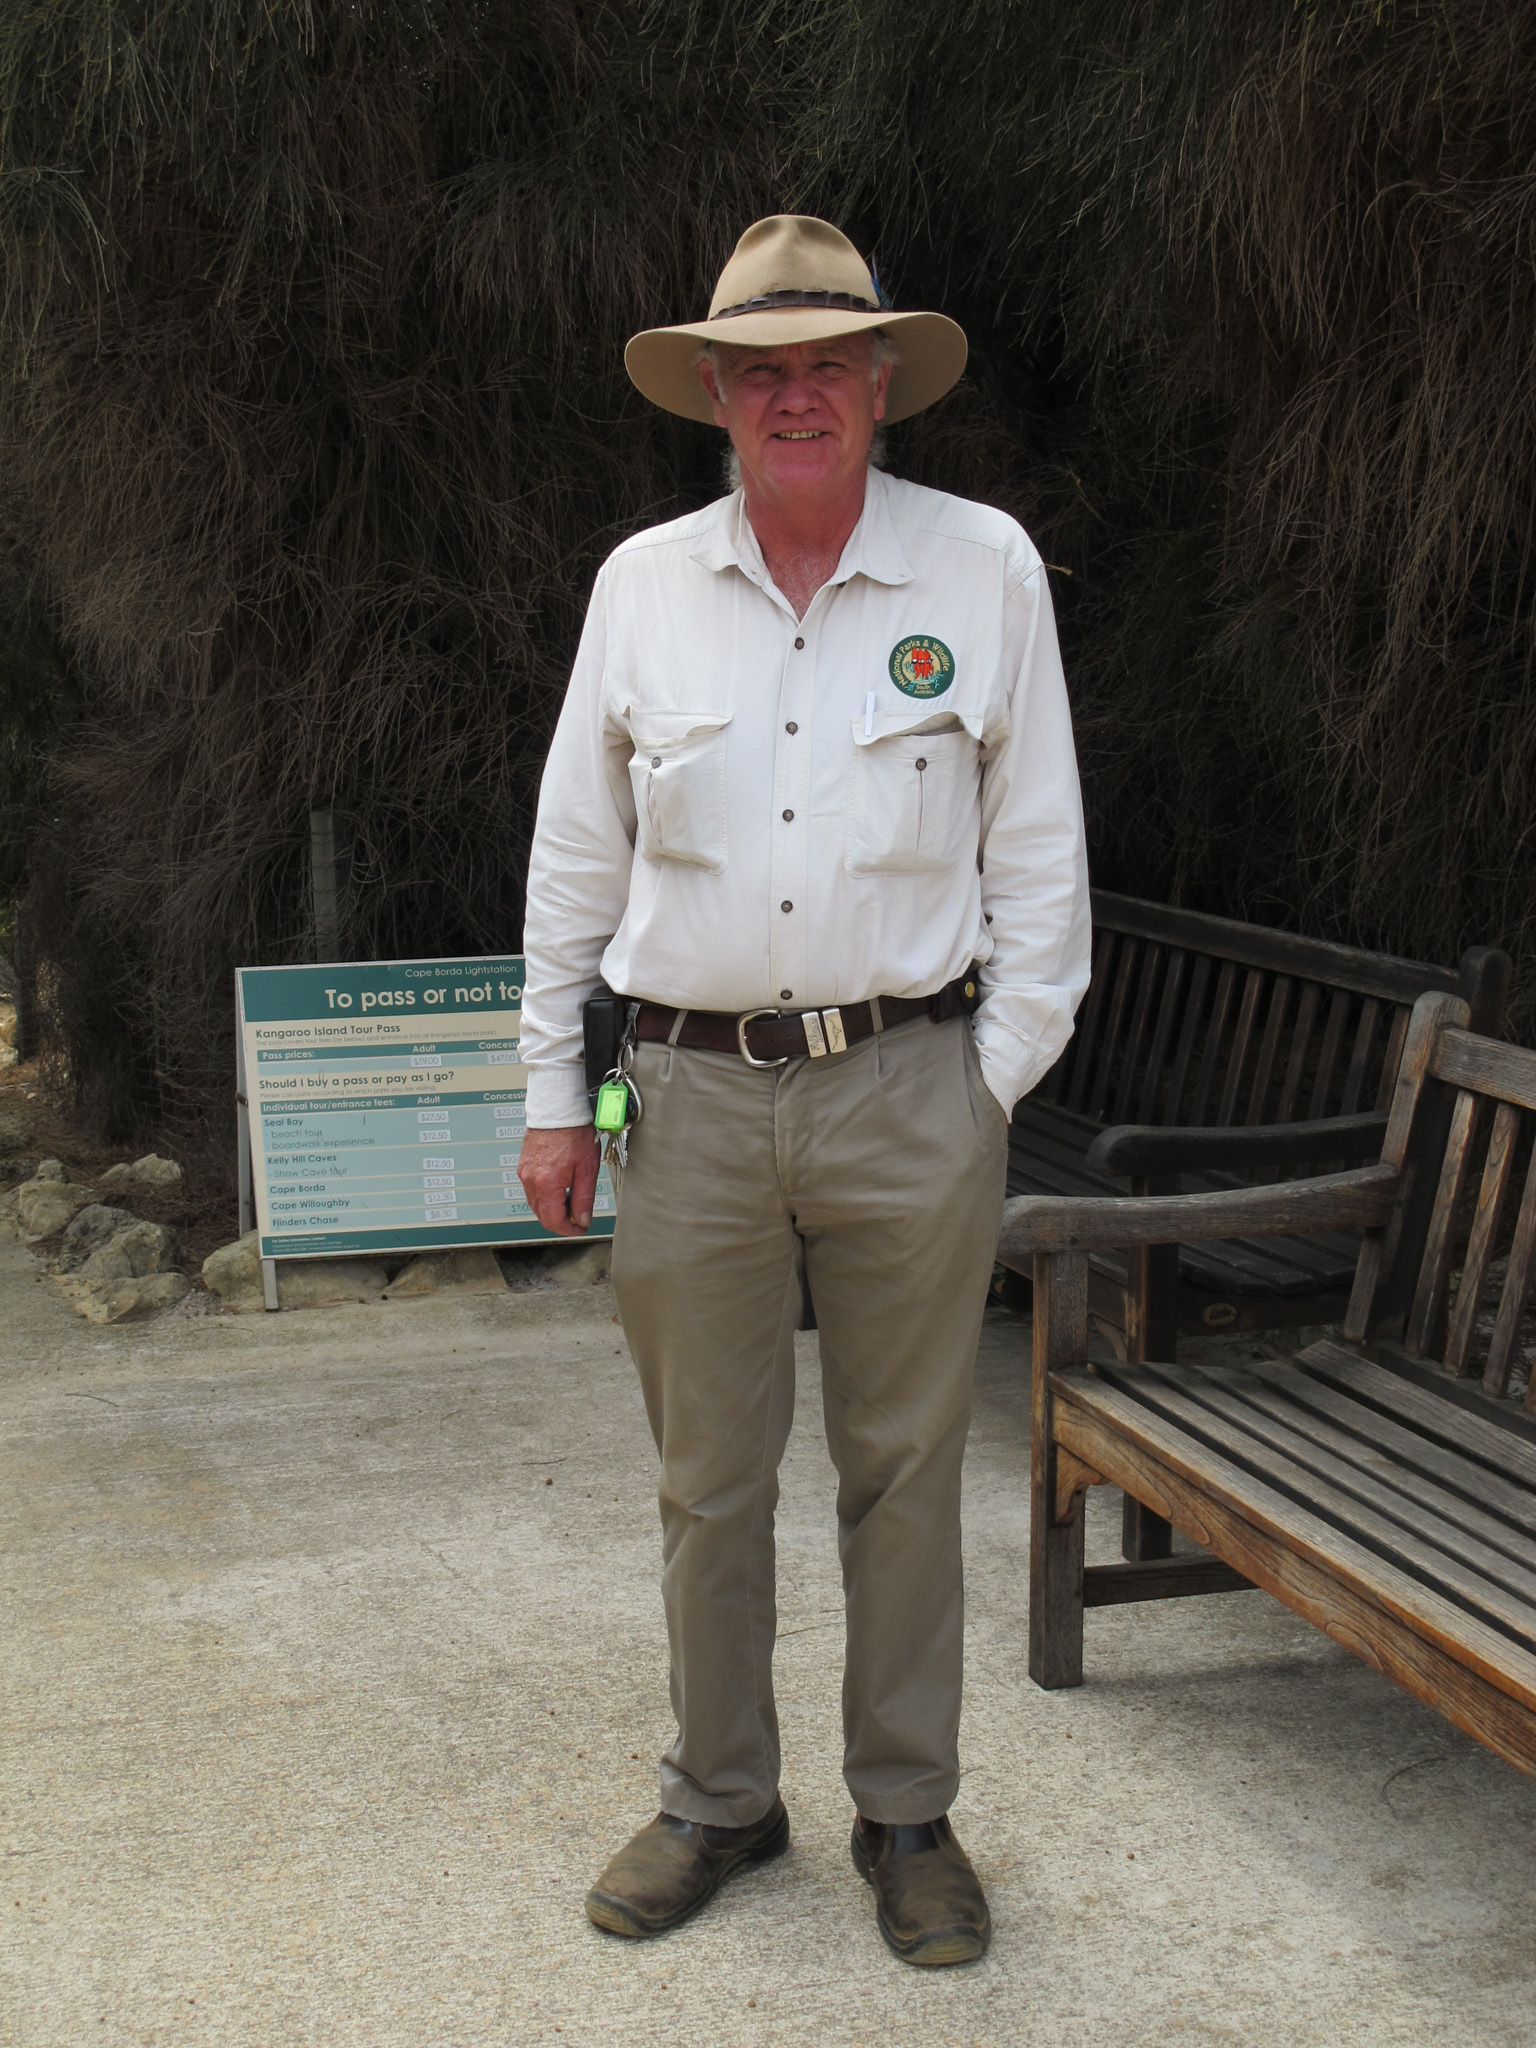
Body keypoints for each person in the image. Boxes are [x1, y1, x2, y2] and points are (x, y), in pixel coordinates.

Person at [517, 215, 1090, 1966]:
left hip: (908, 1088)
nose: (795, 396)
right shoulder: (642, 587)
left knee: (905, 1471)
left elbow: (1041, 855)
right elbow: (575, 856)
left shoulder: (981, 570)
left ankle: (908, 1816)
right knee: (708, 1478)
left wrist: (983, 1085)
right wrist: (555, 1092)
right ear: (714, 394)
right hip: (686, 1099)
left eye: (827, 363)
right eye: (759, 370)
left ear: (880, 385)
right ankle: (720, 1801)